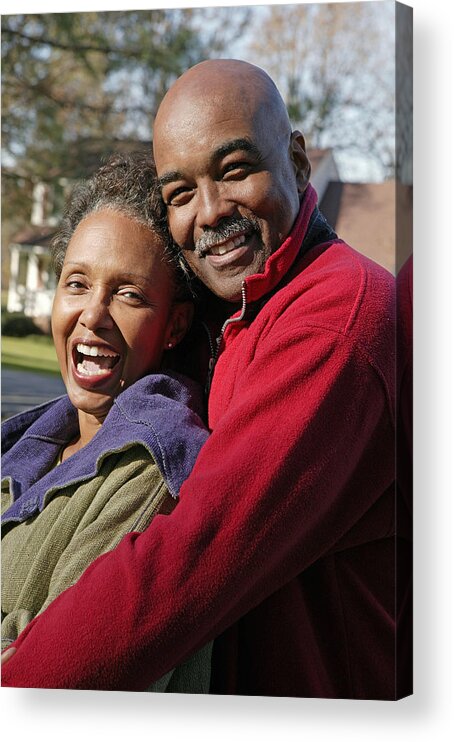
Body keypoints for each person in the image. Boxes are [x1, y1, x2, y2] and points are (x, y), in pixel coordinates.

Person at [2, 60, 404, 699]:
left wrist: (15, 688)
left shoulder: (334, 322)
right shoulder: (235, 310)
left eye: (235, 169)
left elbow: (184, 568)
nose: (210, 213)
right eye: (180, 193)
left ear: (298, 163)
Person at [1, 154, 212, 693]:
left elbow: (53, 658)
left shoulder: (153, 467)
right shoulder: (29, 440)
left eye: (128, 294)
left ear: (175, 325)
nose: (92, 315)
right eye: (77, 283)